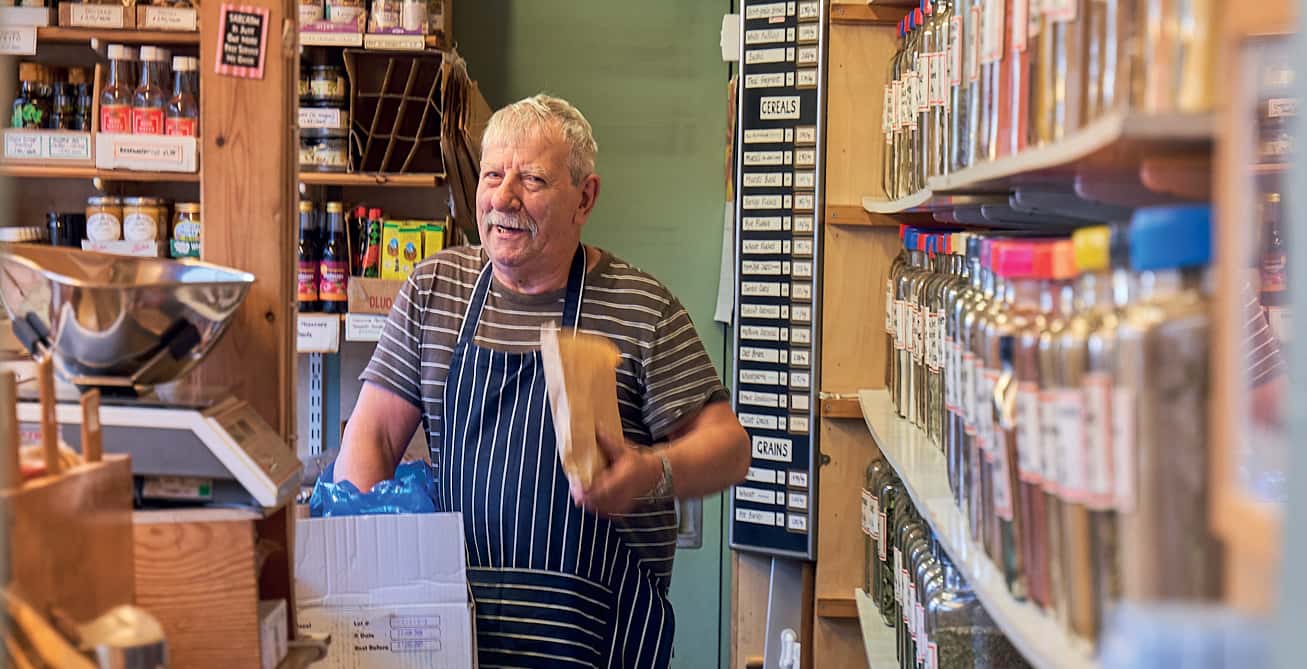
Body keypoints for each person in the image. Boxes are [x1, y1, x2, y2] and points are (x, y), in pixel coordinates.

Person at [335, 93, 750, 668]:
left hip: (597, 639)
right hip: (458, 633)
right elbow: (374, 436)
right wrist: (364, 589)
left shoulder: (641, 307)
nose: (503, 197)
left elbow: (729, 449)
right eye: (492, 175)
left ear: (586, 198)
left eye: (531, 179)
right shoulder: (437, 289)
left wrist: (650, 474)